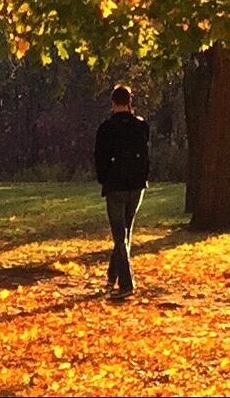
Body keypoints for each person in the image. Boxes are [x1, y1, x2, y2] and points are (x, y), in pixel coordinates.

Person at [95, 84, 149, 299]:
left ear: (112, 103)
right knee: (126, 231)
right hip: (136, 185)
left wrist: (104, 180)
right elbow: (145, 155)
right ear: (129, 102)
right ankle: (112, 275)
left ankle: (126, 284)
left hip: (115, 185)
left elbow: (100, 159)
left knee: (120, 236)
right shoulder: (141, 126)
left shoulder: (106, 128)